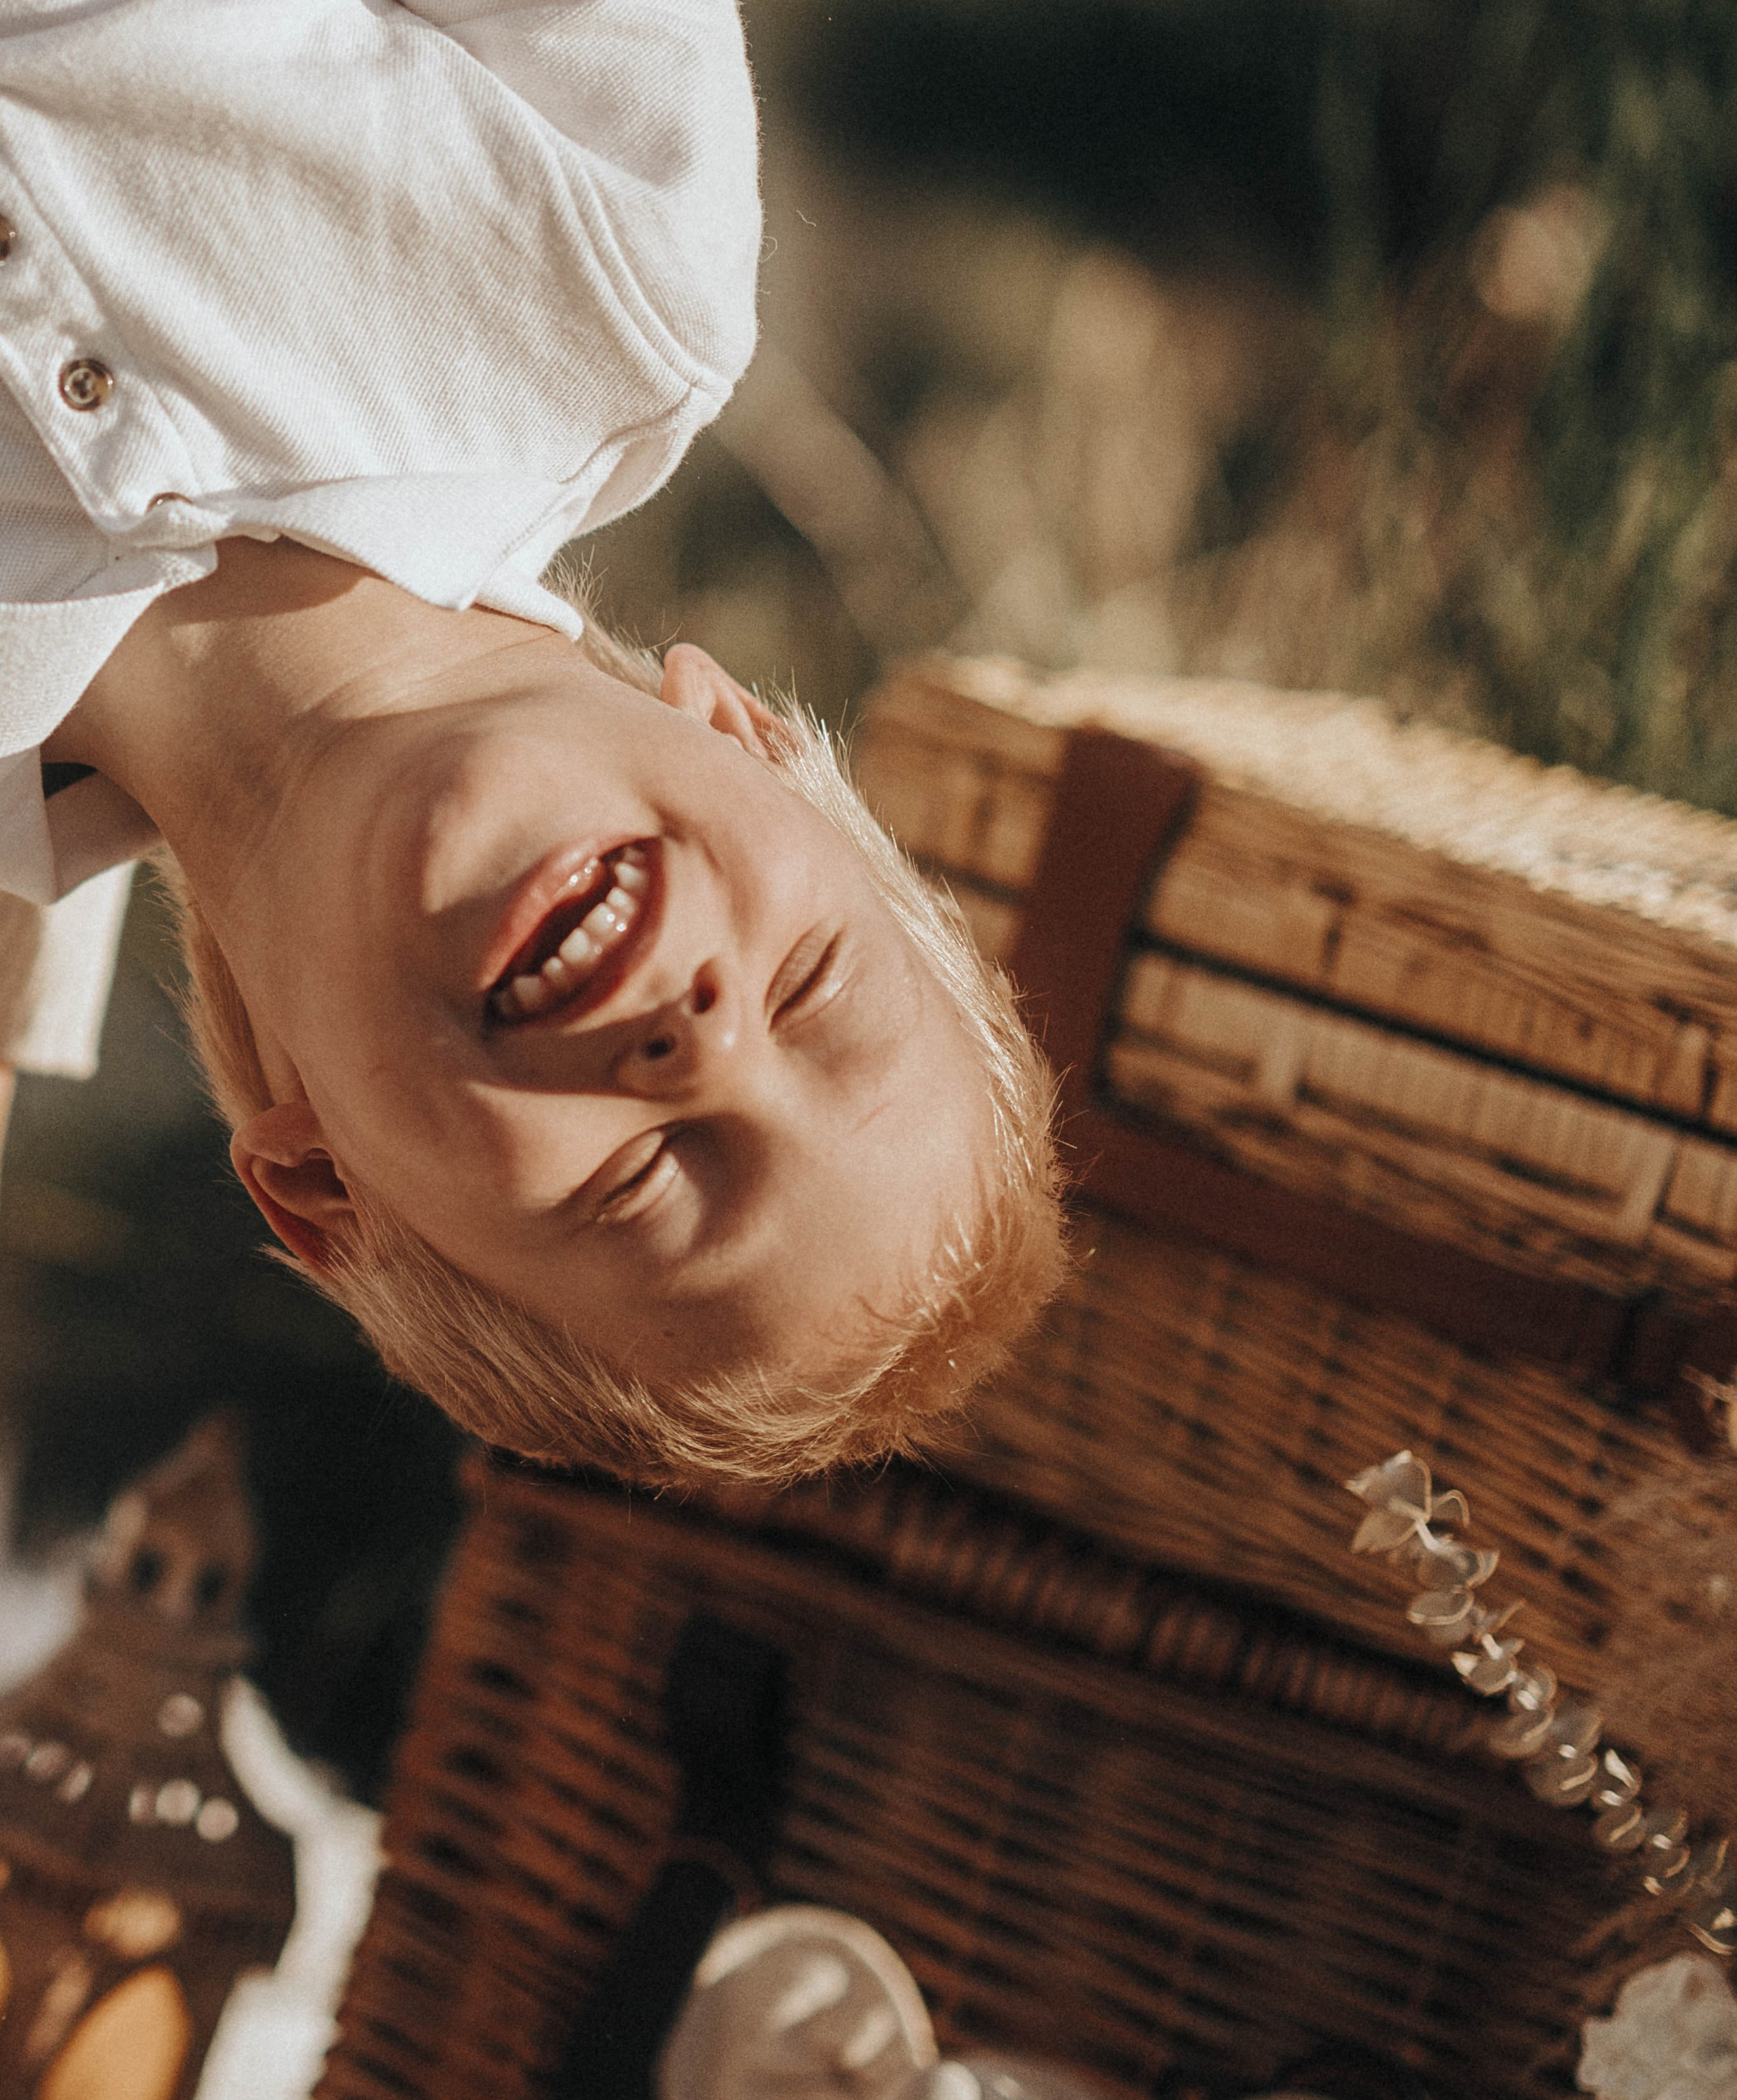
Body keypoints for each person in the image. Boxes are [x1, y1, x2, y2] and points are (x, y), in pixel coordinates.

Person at [0, 0, 1065, 1491]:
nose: (701, 1045)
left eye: (642, 1182)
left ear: (326, 1196)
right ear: (752, 740)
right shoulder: (615, 260)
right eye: (814, 981)